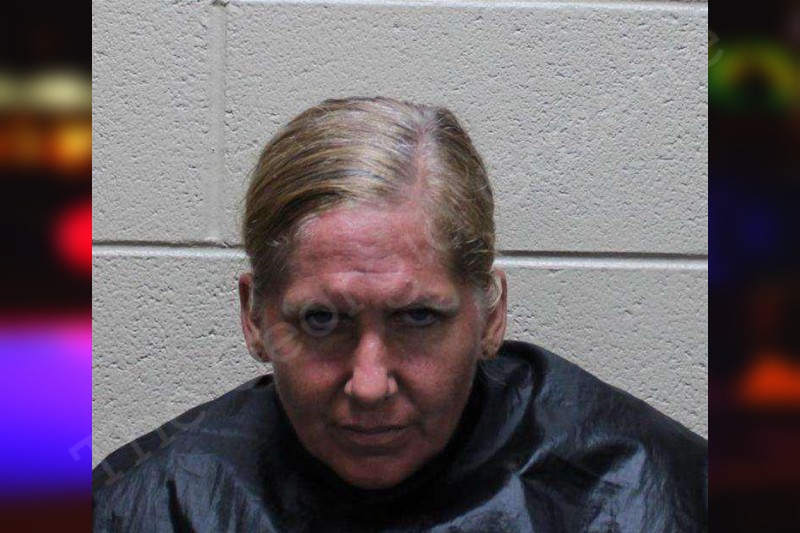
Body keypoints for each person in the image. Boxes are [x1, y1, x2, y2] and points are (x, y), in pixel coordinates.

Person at [93, 97, 707, 531]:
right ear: (254, 317)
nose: (369, 386)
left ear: (491, 316)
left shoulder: (642, 491)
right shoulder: (154, 505)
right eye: (321, 321)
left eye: (418, 319)